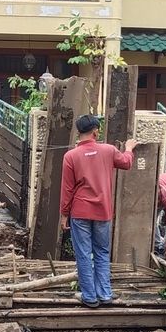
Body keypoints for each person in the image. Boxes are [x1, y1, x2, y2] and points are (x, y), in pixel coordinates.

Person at [59, 115, 136, 307]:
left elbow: (67, 189)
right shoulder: (109, 150)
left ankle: (89, 297)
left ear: (78, 132)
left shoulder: (70, 156)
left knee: (83, 254)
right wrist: (129, 148)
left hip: (80, 211)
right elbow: (126, 163)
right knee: (102, 251)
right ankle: (105, 294)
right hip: (103, 211)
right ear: (95, 131)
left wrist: (64, 214)